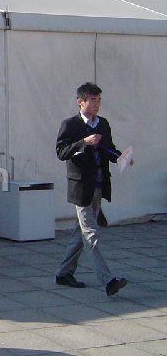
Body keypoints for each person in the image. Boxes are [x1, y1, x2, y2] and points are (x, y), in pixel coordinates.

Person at [55, 82, 128, 296]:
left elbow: (108, 148)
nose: (97, 105)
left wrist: (121, 157)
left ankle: (63, 273)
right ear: (81, 102)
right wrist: (83, 143)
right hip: (81, 187)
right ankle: (108, 280)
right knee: (90, 233)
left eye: (99, 101)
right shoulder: (70, 125)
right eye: (93, 101)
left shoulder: (102, 124)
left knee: (81, 232)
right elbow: (61, 152)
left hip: (99, 185)